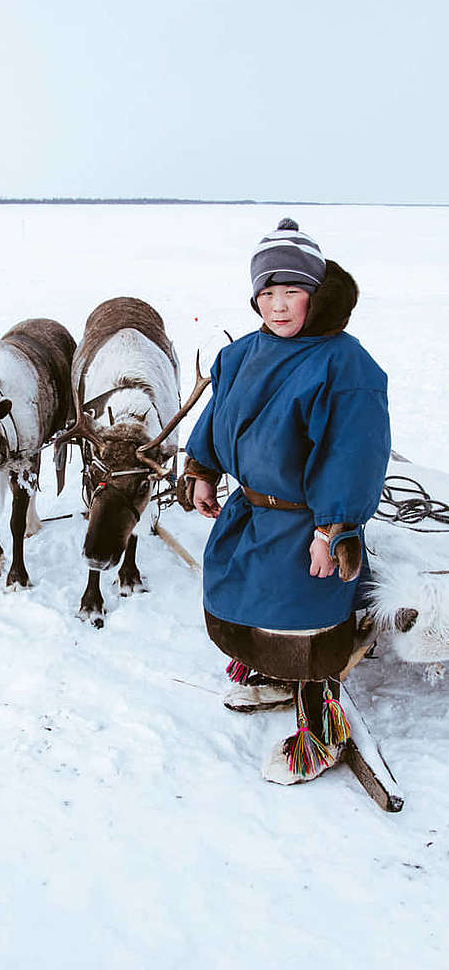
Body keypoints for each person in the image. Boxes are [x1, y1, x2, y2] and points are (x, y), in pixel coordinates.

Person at [184, 218, 390, 785]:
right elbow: (217, 415)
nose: (278, 305)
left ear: (315, 294)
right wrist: (204, 467)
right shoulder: (242, 355)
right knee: (244, 600)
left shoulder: (344, 365)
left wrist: (335, 528)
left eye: (292, 290)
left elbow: (354, 452)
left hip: (306, 523)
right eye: (266, 292)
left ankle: (323, 734)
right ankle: (276, 677)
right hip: (250, 511)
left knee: (309, 627)